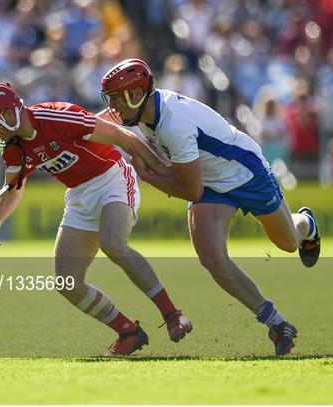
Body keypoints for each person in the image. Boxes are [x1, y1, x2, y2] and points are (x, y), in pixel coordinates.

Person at [99, 59, 321, 356]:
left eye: (116, 99)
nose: (113, 107)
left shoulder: (173, 124)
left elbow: (191, 189)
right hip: (210, 179)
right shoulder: (142, 110)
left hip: (245, 172)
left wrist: (149, 177)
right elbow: (100, 122)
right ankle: (276, 322)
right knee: (212, 258)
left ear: (135, 95)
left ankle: (306, 223)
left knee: (288, 242)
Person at [0, 83, 192, 356]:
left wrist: (166, 174)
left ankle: (172, 315)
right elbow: (13, 190)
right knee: (66, 282)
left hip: (112, 177)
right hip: (79, 194)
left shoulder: (58, 116)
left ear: (8, 114)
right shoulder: (14, 148)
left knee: (113, 244)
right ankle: (129, 332)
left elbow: (125, 138)